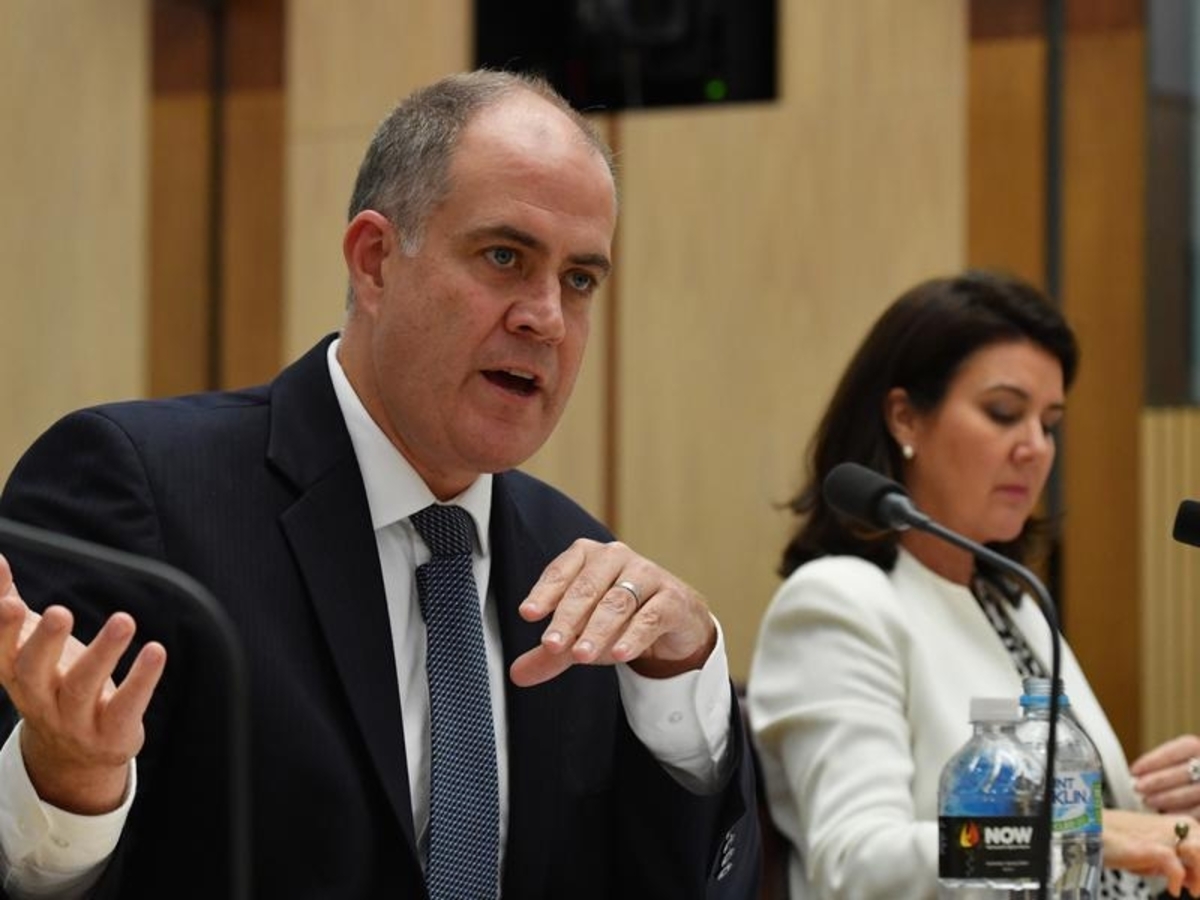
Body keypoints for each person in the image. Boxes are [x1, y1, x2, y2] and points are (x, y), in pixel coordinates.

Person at [0, 70, 760, 899]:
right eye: (504, 257)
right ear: (374, 262)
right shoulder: (141, 487)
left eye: (579, 280)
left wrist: (680, 677)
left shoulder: (582, 579)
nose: (545, 317)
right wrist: (70, 784)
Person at [746, 270, 1200, 899]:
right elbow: (857, 867)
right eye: (1004, 413)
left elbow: (1098, 840)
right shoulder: (838, 602)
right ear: (905, 418)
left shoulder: (1011, 601)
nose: (1035, 448)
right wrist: (1065, 836)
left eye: (1049, 423)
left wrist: (1175, 815)